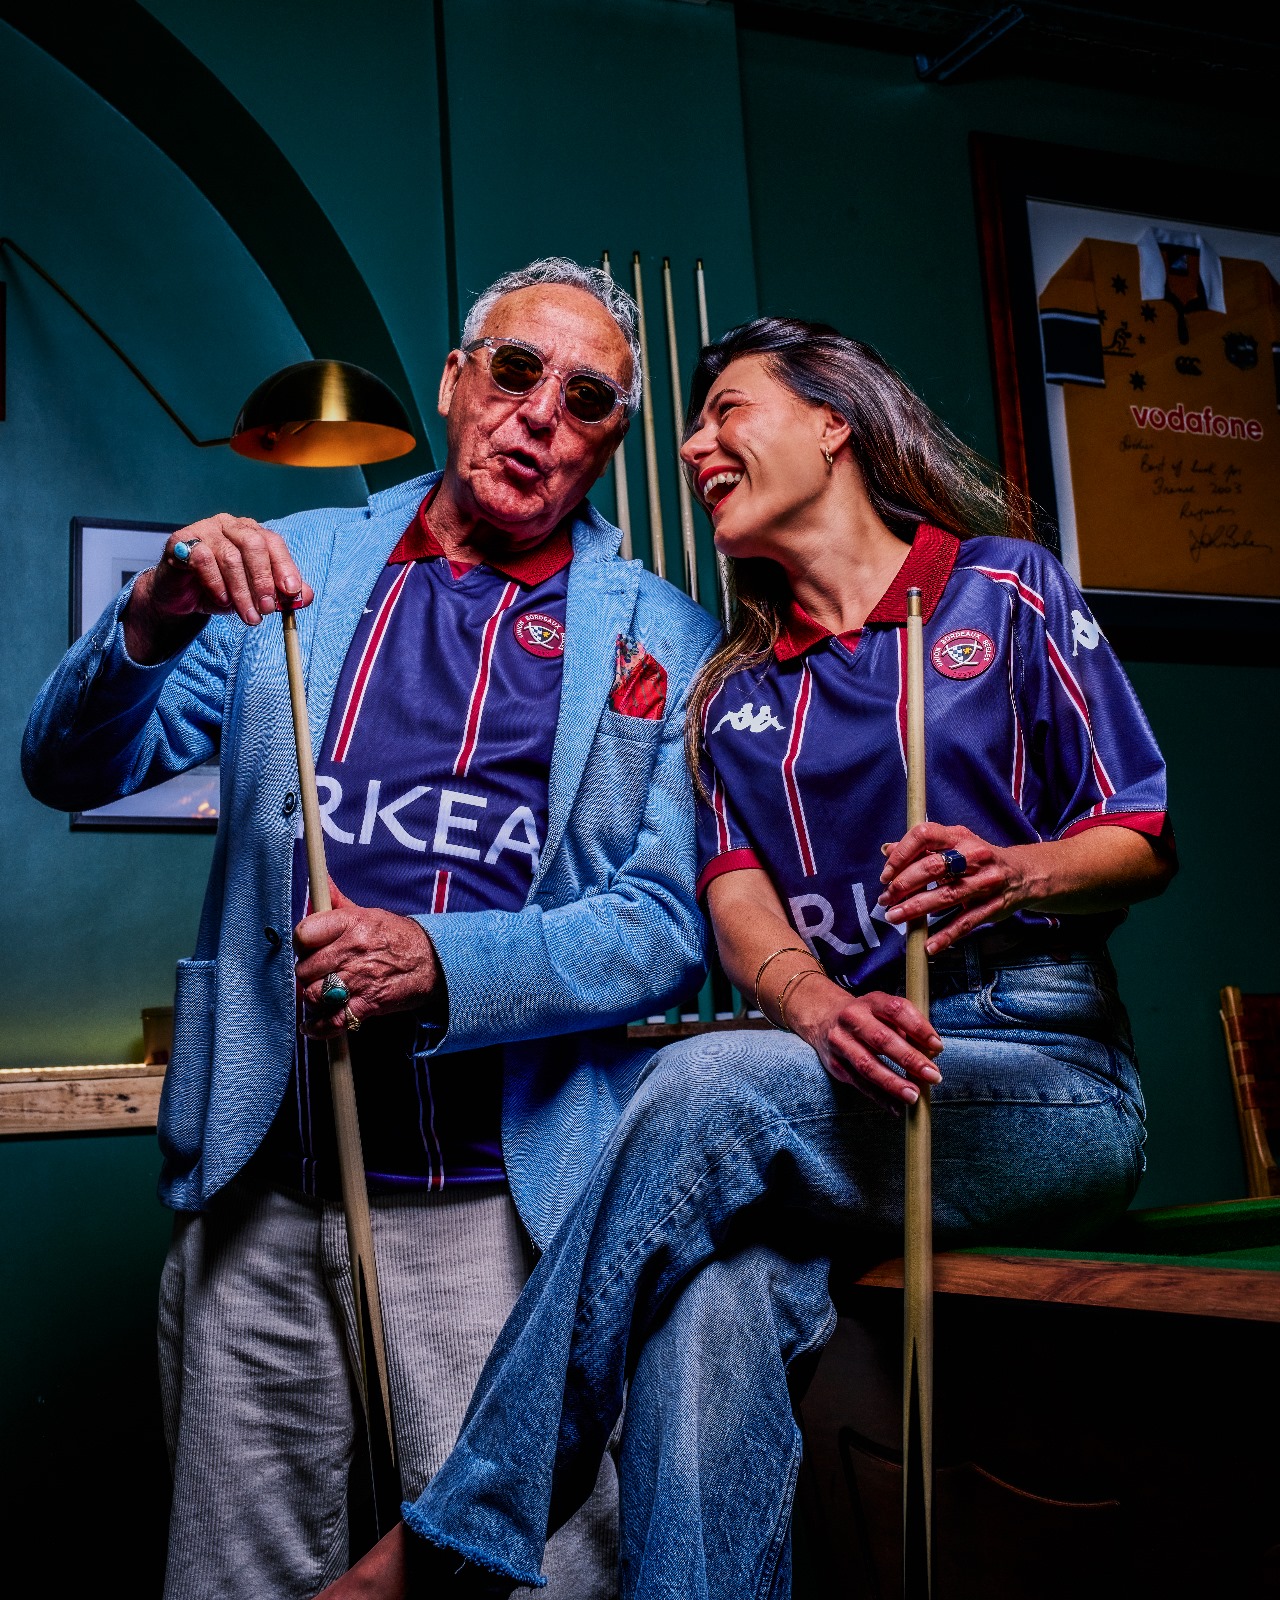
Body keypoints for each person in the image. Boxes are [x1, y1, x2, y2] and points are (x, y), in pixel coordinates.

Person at [317, 318, 1176, 1599]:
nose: (692, 443)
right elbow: (734, 901)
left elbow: (1141, 835)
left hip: (1042, 1071)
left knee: (705, 1083)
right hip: (848, 1077)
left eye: (725, 409)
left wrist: (1016, 868)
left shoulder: (1002, 588)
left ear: (832, 423)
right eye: (691, 423)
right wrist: (816, 1003)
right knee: (707, 1301)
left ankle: (458, 1532)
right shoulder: (729, 691)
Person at [22, 259, 720, 1600]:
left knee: (521, 1578)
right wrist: (155, 613)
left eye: (587, 401)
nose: (541, 416)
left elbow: (659, 930)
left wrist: (441, 962)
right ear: (457, 381)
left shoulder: (664, 637)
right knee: (235, 1578)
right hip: (263, 1185)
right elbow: (66, 765)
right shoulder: (301, 567)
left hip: (495, 1209)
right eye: (515, 372)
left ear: (611, 443)